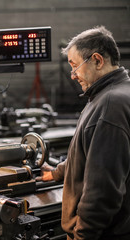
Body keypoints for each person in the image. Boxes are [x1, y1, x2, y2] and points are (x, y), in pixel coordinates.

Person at [37, 26, 130, 240]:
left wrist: (82, 235)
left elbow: (103, 191)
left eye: (75, 65)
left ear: (97, 60)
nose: (73, 75)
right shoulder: (115, 93)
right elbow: (89, 153)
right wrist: (58, 172)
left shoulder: (109, 105)